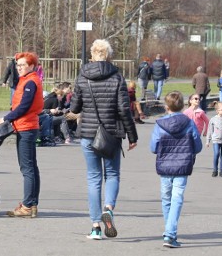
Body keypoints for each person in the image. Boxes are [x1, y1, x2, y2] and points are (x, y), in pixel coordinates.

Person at [69, 39, 138, 240]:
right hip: (111, 134)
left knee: (93, 178)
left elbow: (74, 108)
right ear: (108, 55)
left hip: (88, 134)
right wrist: (132, 136)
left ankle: (95, 226)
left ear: (92, 55)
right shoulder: (117, 77)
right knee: (113, 174)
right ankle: (108, 207)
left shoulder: (83, 76)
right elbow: (124, 109)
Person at [149, 91, 202, 249]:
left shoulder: (159, 124)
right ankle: (170, 233)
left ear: (166, 107)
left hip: (165, 165)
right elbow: (197, 146)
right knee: (177, 198)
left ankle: (169, 230)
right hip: (183, 165)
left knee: (166, 199)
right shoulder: (189, 122)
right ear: (183, 105)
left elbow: (153, 147)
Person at [0, 52, 43, 218]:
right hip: (27, 126)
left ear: (31, 66)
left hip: (27, 127)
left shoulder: (31, 81)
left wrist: (7, 118)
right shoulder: (28, 79)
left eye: (23, 65)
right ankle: (32, 203)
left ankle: (27, 205)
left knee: (27, 168)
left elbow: (24, 106)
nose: (19, 68)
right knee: (31, 167)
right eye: (18, 65)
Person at [207, 101, 222, 177]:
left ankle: (221, 171)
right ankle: (215, 170)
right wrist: (208, 140)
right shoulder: (213, 119)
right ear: (217, 110)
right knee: (216, 153)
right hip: (216, 140)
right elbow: (210, 130)